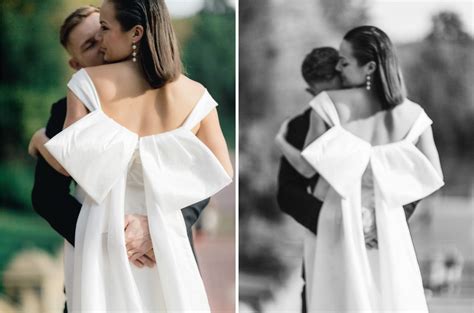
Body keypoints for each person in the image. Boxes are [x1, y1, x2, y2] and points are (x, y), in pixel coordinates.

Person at [41, 0, 233, 311]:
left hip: (101, 241)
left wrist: (40, 142)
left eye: (104, 28)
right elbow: (221, 168)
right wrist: (159, 221)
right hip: (166, 243)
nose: (101, 39)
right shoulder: (197, 96)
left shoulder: (85, 84)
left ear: (136, 33)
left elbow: (67, 162)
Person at [277, 26, 443, 312]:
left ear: (369, 67)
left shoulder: (325, 105)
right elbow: (433, 176)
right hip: (388, 228)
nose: (339, 67)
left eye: (344, 61)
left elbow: (305, 168)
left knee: (336, 300)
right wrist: (389, 210)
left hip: (335, 224)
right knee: (388, 297)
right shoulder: (415, 115)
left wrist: (281, 141)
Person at [275, 47, 341, 313]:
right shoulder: (300, 126)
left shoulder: (381, 117)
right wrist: (328, 220)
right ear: (311, 94)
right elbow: (287, 193)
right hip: (322, 242)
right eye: (322, 96)